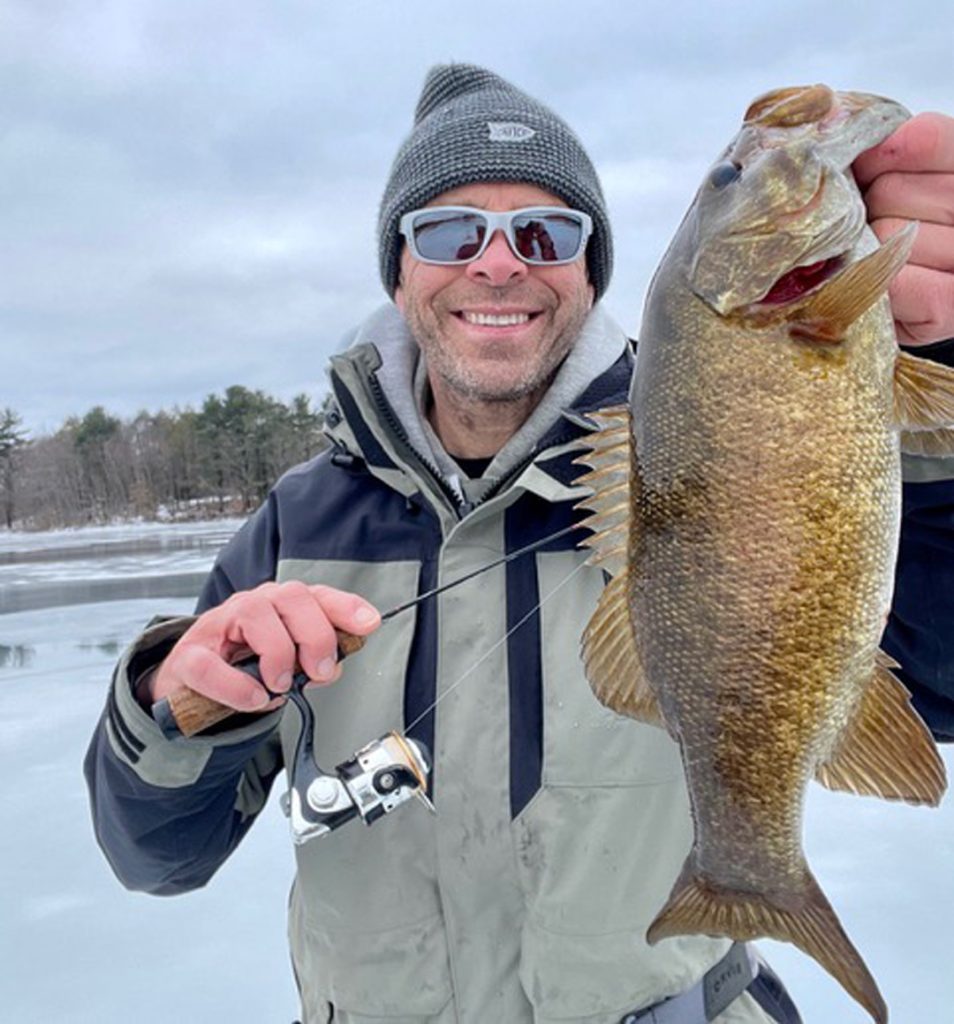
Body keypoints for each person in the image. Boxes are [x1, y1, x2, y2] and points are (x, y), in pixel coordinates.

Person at [85, 64, 954, 1023]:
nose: (497, 264)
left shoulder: (705, 456)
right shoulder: (294, 526)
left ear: (590, 272)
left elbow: (944, 676)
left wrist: (935, 369)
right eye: (450, 231)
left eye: (546, 232)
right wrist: (177, 701)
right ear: (401, 269)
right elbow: (156, 859)